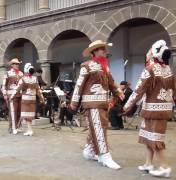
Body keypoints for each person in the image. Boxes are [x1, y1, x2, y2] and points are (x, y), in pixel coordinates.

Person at [123, 40, 174, 178]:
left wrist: (127, 106)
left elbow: (139, 90)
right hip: (162, 110)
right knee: (149, 138)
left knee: (156, 140)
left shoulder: (150, 69)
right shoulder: (168, 70)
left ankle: (165, 167)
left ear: (154, 54)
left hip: (153, 111)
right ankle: (148, 164)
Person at [69, 40, 124, 170]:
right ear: (94, 52)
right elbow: (79, 85)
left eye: (104, 48)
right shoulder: (86, 65)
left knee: (100, 127)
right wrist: (73, 104)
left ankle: (89, 150)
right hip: (92, 103)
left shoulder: (105, 66)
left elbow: (111, 82)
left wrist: (118, 91)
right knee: (98, 128)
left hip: (103, 103)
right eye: (101, 49)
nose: (105, 51)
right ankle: (105, 156)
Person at [11, 63, 44, 136]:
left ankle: (28, 130)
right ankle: (30, 130)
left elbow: (17, 88)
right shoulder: (35, 79)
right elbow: (38, 89)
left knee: (25, 115)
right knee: (29, 116)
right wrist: (42, 98)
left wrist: (12, 96)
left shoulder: (23, 78)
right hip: (32, 99)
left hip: (25, 100)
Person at [2, 58, 24, 134]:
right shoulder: (7, 73)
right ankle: (12, 127)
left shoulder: (21, 73)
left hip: (20, 94)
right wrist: (4, 94)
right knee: (13, 111)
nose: (17, 65)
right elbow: (4, 85)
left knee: (19, 111)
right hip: (11, 94)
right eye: (16, 64)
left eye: (18, 64)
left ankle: (17, 126)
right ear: (12, 65)